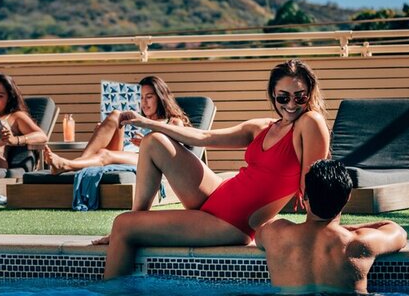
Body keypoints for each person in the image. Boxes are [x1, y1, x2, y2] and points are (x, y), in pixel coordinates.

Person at [99, 59, 330, 280]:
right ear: (273, 94)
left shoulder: (310, 122)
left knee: (122, 224)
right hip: (216, 194)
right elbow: (203, 136)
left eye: (299, 97)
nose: (291, 104)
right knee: (154, 141)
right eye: (283, 97)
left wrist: (322, 232)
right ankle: (137, 220)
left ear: (308, 95)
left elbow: (317, 186)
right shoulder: (262, 126)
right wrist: (147, 122)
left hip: (231, 223)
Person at [254, 159, 408, 295]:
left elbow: (258, 236)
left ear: (304, 197)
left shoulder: (274, 233)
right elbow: (397, 231)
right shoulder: (359, 243)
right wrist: (342, 229)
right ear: (348, 197)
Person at [43, 75, 190, 174]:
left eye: (149, 97)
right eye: (141, 97)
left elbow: (176, 155)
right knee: (116, 115)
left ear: (161, 98)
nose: (144, 102)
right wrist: (103, 130)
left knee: (103, 153)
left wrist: (147, 143)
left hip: (147, 158)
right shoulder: (137, 118)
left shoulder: (173, 121)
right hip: (126, 152)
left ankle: (67, 165)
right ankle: (76, 164)